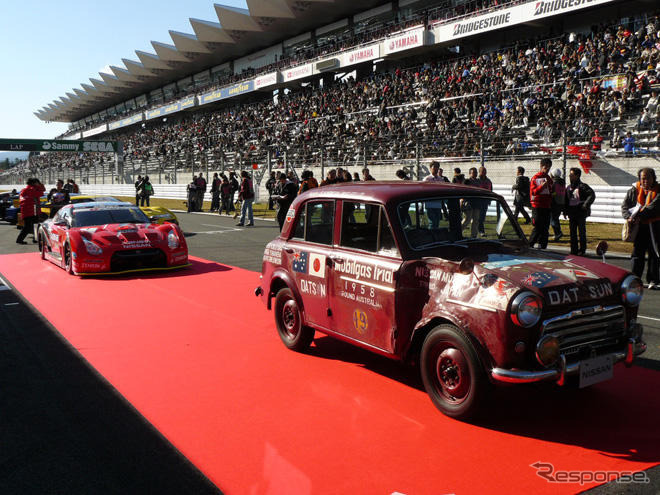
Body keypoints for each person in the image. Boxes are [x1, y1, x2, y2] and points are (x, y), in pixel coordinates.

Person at [621, 168, 660, 288]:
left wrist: (637, 216)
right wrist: (628, 217)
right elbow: (625, 206)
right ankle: (635, 278)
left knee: (654, 253)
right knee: (637, 253)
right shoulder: (633, 190)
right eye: (643, 178)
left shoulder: (658, 190)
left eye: (648, 178)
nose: (645, 181)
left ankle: (653, 280)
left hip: (654, 226)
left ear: (653, 178)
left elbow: (653, 207)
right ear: (639, 179)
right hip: (638, 226)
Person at [564, 167, 595, 256]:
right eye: (570, 175)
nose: (570, 176)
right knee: (572, 232)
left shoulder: (583, 186)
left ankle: (582, 249)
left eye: (572, 175)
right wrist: (565, 211)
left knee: (581, 232)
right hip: (572, 212)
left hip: (580, 212)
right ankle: (573, 250)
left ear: (577, 176)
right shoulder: (568, 187)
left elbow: (591, 195)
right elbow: (566, 200)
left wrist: (585, 205)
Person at [529, 158, 554, 249]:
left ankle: (543, 246)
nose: (547, 169)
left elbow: (551, 192)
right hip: (537, 205)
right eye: (545, 167)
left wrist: (552, 191)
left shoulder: (549, 179)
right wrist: (542, 187)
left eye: (549, 168)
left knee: (545, 227)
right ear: (541, 166)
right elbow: (533, 192)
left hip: (546, 205)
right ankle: (530, 245)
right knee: (538, 226)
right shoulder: (535, 177)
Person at [16, 178, 45, 244]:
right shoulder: (31, 189)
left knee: (34, 225)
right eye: (38, 182)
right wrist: (40, 186)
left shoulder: (26, 190)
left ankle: (35, 239)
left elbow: (42, 191)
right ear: (34, 183)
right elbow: (41, 193)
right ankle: (19, 240)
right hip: (30, 210)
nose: (39, 184)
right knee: (28, 226)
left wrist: (39, 186)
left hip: (30, 210)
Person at [424, 161, 449, 228]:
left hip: (438, 204)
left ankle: (435, 236)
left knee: (437, 223)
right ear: (430, 168)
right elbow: (424, 191)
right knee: (432, 222)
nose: (436, 168)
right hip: (430, 204)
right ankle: (431, 237)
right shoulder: (427, 179)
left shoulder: (441, 180)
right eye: (434, 167)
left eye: (437, 167)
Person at [550, 168, 566, 241]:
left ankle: (558, 233)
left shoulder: (554, 182)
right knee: (555, 218)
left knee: (553, 219)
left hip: (554, 202)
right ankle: (558, 232)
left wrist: (551, 194)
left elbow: (553, 193)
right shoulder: (562, 182)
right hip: (561, 202)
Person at [476, 166, 493, 236]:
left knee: (482, 217)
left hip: (485, 201)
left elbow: (491, 190)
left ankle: (481, 230)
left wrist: (489, 200)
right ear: (479, 172)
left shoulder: (488, 181)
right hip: (477, 201)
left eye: (485, 171)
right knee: (476, 217)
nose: (484, 172)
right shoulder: (476, 181)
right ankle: (478, 230)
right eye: (483, 171)